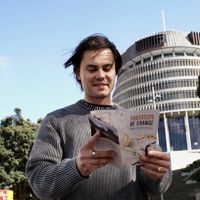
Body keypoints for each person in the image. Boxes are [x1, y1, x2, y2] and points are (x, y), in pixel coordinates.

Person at [25, 34, 172, 200]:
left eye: (107, 68)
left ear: (116, 71)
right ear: (77, 73)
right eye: (92, 69)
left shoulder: (135, 121)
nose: (101, 75)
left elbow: (159, 187)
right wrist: (77, 167)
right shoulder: (56, 121)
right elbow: (39, 183)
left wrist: (158, 173)